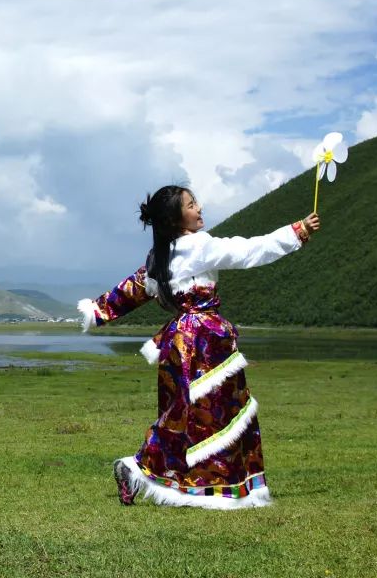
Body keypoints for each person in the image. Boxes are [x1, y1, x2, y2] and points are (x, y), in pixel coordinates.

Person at [78, 185, 319, 509]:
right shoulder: (198, 246)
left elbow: (133, 289)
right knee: (216, 412)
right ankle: (213, 485)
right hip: (206, 342)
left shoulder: (159, 256)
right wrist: (297, 231)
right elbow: (247, 250)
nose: (200, 207)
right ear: (177, 219)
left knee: (180, 415)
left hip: (178, 343)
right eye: (192, 205)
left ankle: (141, 470)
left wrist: (97, 311)